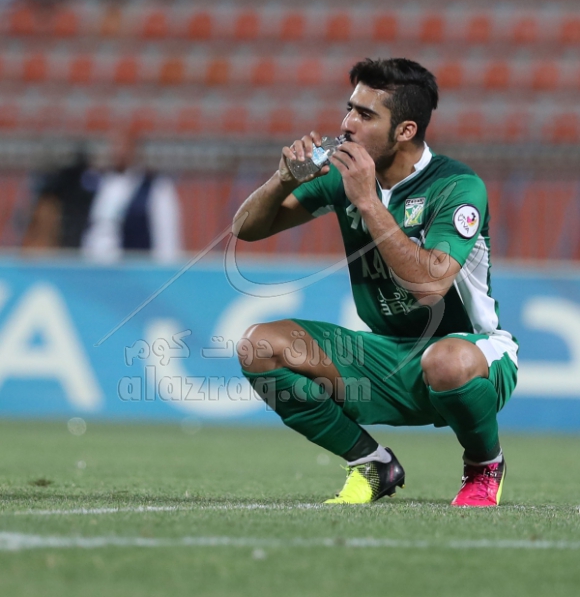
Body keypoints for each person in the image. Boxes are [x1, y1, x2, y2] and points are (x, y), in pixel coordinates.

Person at [233, 58, 518, 507]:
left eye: (365, 115)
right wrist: (281, 179)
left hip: (472, 353)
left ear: (405, 130)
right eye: (349, 108)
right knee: (259, 346)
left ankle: (485, 465)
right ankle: (372, 464)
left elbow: (429, 288)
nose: (347, 124)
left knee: (446, 361)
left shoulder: (457, 186)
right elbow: (245, 229)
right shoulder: (341, 176)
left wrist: (368, 201)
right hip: (389, 355)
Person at [82, 132, 183, 263]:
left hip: (138, 267)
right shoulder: (104, 185)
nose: (119, 153)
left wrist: (166, 268)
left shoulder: (156, 188)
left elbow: (167, 237)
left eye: (123, 148)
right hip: (100, 267)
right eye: (115, 147)